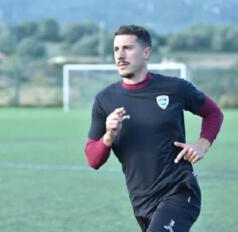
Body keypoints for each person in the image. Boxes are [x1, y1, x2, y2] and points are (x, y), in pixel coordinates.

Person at [84, 25, 223, 232]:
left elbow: (214, 113)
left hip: (179, 191)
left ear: (146, 52)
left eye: (128, 48)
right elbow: (93, 160)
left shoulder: (175, 88)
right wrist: (109, 136)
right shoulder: (105, 100)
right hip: (142, 202)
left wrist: (201, 146)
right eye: (116, 49)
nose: (120, 55)